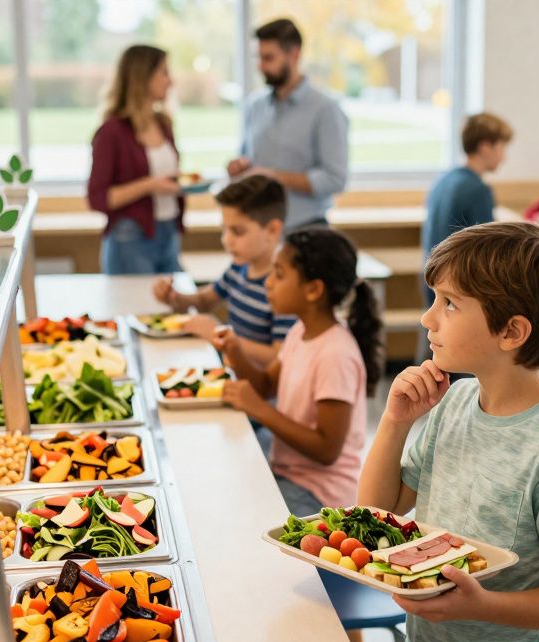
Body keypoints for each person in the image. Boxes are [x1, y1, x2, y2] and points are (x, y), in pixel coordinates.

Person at [360, 222, 539, 642]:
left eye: (449, 303)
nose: (428, 318)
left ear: (511, 332)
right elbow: (377, 509)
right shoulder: (455, 404)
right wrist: (395, 420)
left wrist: (482, 605)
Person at [213, 227, 382, 516]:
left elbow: (327, 449)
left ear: (314, 290)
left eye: (278, 274)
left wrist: (261, 411)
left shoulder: (335, 354)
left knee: (235, 511)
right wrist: (236, 353)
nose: (268, 283)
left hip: (320, 494)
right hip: (289, 473)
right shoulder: (300, 331)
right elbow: (266, 385)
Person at [152, 175, 294, 368]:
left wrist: (220, 334)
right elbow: (204, 301)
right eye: (224, 230)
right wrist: (174, 297)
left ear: (272, 230)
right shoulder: (240, 267)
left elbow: (280, 356)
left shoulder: (286, 287)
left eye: (237, 231)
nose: (226, 240)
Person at [227, 19, 348, 231]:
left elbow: (334, 179)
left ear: (294, 54)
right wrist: (241, 167)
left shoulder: (325, 109)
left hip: (305, 230)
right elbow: (248, 159)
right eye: (258, 57)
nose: (260, 66)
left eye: (268, 58)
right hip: (258, 232)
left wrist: (275, 177)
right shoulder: (255, 106)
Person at [87, 44, 184, 275]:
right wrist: (150, 185)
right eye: (164, 72)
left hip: (169, 232)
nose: (170, 81)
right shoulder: (112, 132)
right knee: (138, 310)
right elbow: (97, 198)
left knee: (171, 310)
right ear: (143, 77)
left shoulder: (163, 124)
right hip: (130, 239)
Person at [420, 112, 513, 305]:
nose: (504, 157)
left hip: (435, 282)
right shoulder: (477, 189)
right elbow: (487, 251)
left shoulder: (444, 180)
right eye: (502, 148)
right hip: (460, 289)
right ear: (486, 147)